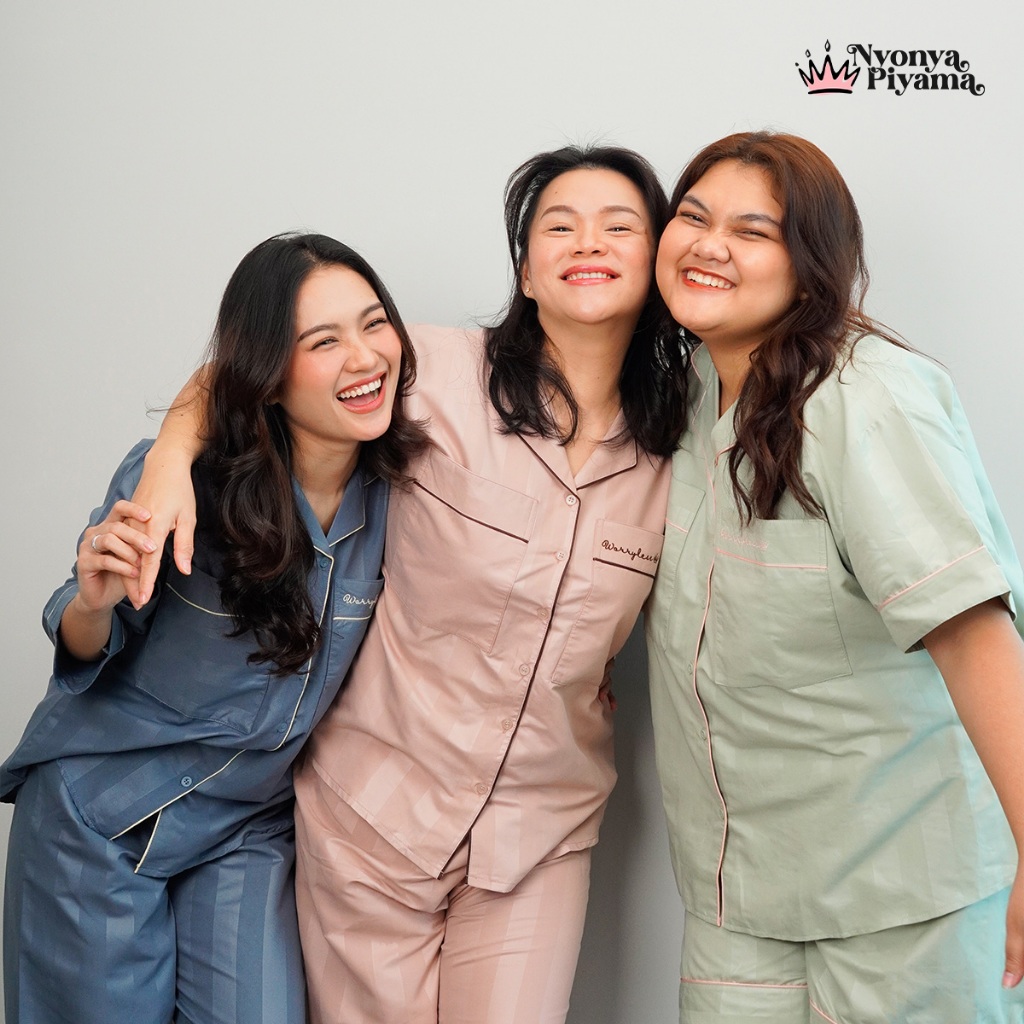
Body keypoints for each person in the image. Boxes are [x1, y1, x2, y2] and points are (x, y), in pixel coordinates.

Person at [125, 146, 690, 1024]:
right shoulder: (434, 373)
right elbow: (256, 365)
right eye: (559, 225)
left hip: (536, 836)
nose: (589, 242)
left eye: (619, 226)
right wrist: (167, 462)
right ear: (526, 269)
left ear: (655, 261)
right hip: (370, 821)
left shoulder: (682, 445)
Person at [646, 130, 1024, 1023]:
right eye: (693, 216)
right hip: (738, 895)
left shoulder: (867, 398)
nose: (708, 245)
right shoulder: (686, 392)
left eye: (752, 231)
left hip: (904, 893)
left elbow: (976, 638)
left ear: (811, 266)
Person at [1, 232, 426, 1024]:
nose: (365, 357)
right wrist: (95, 603)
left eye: (374, 323)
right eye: (322, 342)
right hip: (101, 820)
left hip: (247, 828)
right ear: (269, 372)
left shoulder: (403, 488)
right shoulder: (186, 479)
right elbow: (83, 644)